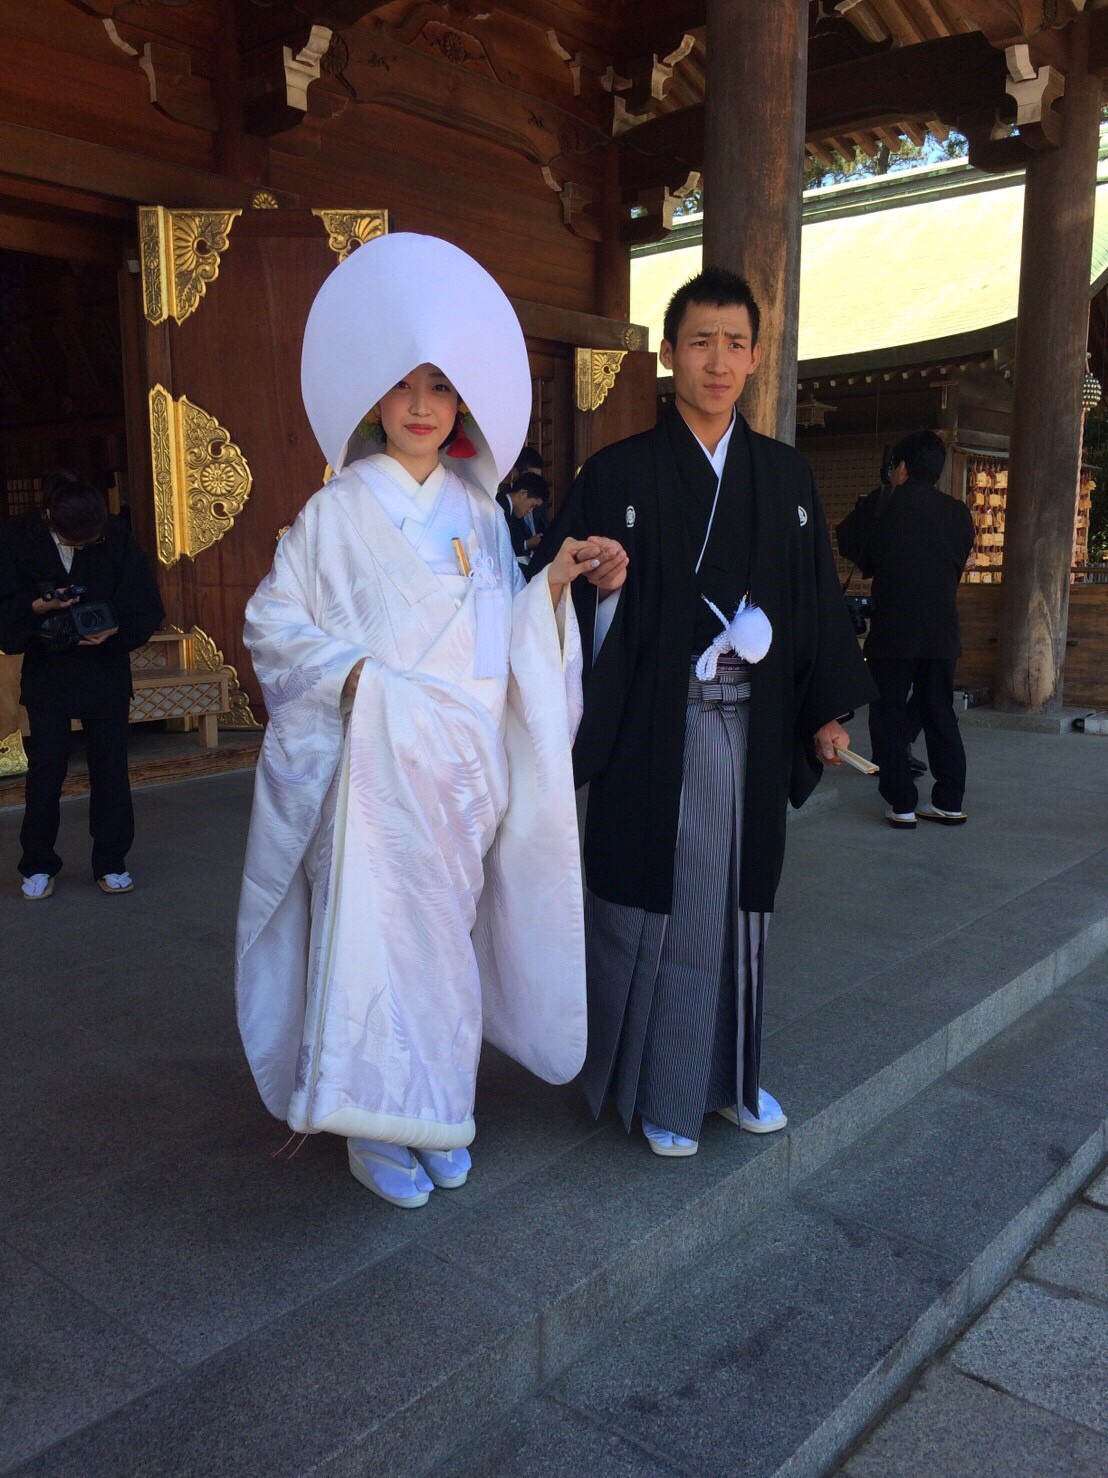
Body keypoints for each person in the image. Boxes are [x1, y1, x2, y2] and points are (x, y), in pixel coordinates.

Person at [235, 233, 627, 1209]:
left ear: (461, 406)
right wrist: (357, 679)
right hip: (368, 766)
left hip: (455, 773)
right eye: (404, 385)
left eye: (440, 387)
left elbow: (498, 631)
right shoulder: (333, 515)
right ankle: (373, 1127)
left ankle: (438, 1105)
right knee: (373, 943)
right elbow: (272, 622)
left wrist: (554, 590)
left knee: (442, 948)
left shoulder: (478, 511)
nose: (420, 404)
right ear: (375, 397)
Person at [532, 266, 874, 1157]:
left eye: (734, 344)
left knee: (738, 902)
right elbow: (559, 591)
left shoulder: (787, 478)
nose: (717, 362)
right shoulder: (618, 474)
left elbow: (812, 606)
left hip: (753, 726)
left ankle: (728, 1077)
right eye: (698, 342)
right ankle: (658, 1086)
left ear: (755, 356)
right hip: (655, 723)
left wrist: (825, 712)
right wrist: (600, 586)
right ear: (670, 353)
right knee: (663, 903)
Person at [0, 470, 164, 898]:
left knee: (110, 769)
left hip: (105, 670)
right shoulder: (17, 537)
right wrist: (36, 606)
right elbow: (5, 607)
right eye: (74, 541)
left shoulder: (116, 535)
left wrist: (116, 629)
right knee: (46, 770)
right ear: (49, 517)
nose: (83, 545)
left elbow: (145, 601)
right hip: (48, 671)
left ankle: (111, 861)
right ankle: (37, 864)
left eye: (89, 541)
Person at [836, 428, 975, 829]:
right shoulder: (958, 513)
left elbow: (852, 545)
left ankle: (902, 802)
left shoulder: (886, 505)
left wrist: (877, 499)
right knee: (940, 711)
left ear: (901, 467)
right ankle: (949, 800)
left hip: (895, 629)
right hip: (942, 632)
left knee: (889, 714)